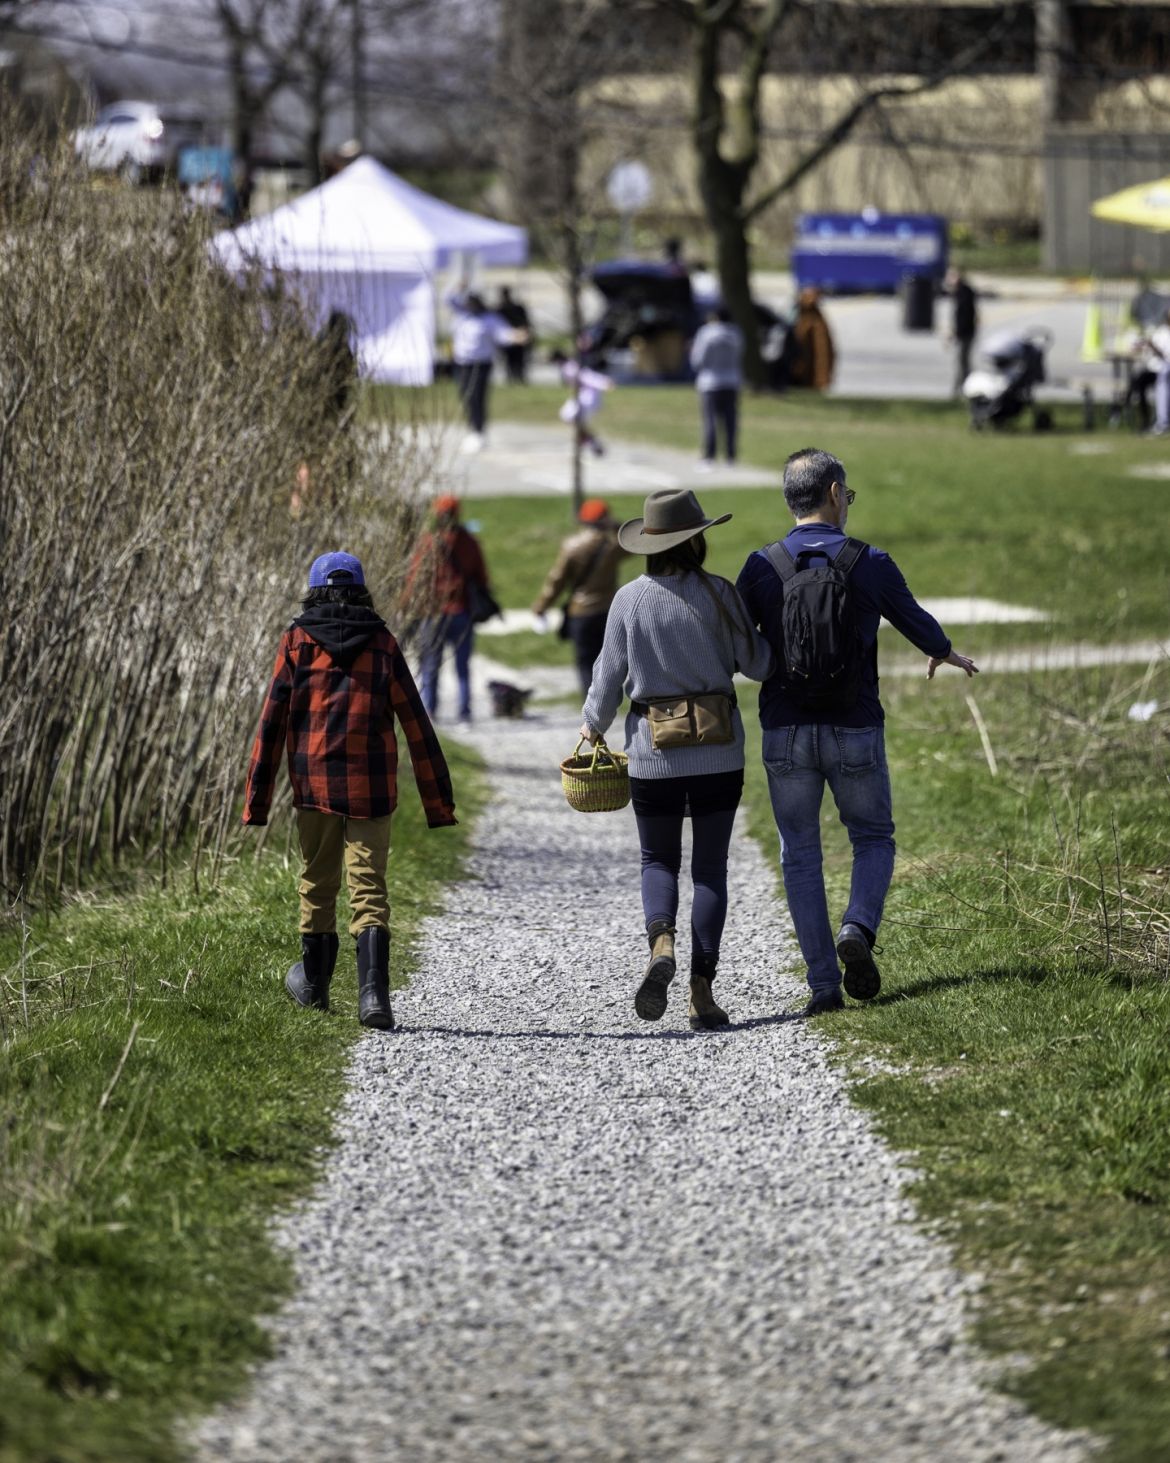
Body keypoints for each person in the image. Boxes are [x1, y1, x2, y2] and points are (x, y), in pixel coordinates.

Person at [735, 448, 978, 1017]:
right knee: (872, 838)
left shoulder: (760, 565)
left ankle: (823, 986)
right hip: (855, 728)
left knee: (800, 853)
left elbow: (737, 644)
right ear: (836, 494)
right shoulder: (869, 561)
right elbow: (915, 619)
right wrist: (943, 652)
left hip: (786, 731)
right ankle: (858, 928)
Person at [580, 489, 774, 1030]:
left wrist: (592, 726)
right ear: (698, 539)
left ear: (650, 544)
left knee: (657, 861)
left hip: (652, 755)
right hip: (719, 753)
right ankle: (701, 994)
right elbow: (758, 665)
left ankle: (660, 943)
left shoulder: (629, 600)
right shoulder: (720, 594)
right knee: (710, 868)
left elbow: (608, 675)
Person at [242, 551, 457, 1029]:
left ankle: (315, 988)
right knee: (369, 888)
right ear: (361, 589)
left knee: (317, 883)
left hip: (313, 784)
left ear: (314, 589)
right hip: (371, 786)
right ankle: (373, 998)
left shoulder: (297, 642)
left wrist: (255, 802)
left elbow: (271, 722)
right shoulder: (381, 643)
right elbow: (416, 723)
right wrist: (438, 804)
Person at [404, 496, 491, 722]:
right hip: (461, 611)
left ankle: (429, 711)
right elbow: (482, 577)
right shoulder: (469, 542)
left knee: (430, 665)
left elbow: (414, 579)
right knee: (463, 667)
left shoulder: (427, 543)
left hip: (432, 613)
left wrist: (407, 605)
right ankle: (464, 712)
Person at [533, 498, 626, 694]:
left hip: (581, 611)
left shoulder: (572, 546)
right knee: (607, 660)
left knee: (585, 663)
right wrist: (616, 524)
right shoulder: (613, 546)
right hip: (607, 609)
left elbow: (557, 580)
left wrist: (542, 606)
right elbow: (632, 540)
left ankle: (590, 706)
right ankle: (610, 701)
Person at [445, 285, 510, 452]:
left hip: (481, 364)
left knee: (477, 397)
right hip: (463, 363)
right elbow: (448, 299)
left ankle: (479, 431)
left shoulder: (489, 319)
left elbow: (504, 334)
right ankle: (473, 427)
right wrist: (458, 286)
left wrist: (516, 336)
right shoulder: (463, 317)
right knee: (466, 396)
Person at [689, 306, 743, 467]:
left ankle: (709, 456)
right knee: (730, 420)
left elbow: (698, 359)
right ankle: (730, 456)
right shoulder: (736, 333)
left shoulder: (706, 333)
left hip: (710, 381)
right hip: (732, 380)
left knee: (710, 420)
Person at [550, 350, 613, 457]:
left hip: (587, 398)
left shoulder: (569, 367)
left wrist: (603, 383)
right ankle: (589, 440)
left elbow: (586, 376)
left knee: (569, 415)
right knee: (573, 419)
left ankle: (588, 439)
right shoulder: (568, 366)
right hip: (583, 397)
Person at [789, 287, 836, 391]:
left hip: (810, 376)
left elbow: (823, 353)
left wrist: (823, 380)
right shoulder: (801, 318)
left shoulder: (816, 323)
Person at [946, 267, 978, 398]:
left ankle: (962, 388)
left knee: (962, 362)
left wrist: (956, 333)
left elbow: (964, 316)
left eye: (951, 276)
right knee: (963, 362)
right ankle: (961, 388)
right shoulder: (961, 291)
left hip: (966, 332)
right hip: (965, 331)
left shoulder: (963, 292)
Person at [1141, 306, 1170, 436]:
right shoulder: (1161, 332)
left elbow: (1165, 355)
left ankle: (1162, 422)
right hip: (1159, 370)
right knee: (1138, 382)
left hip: (1165, 370)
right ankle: (1154, 421)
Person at [497, 285, 532, 384]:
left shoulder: (516, 307)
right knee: (511, 360)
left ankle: (518, 378)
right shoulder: (500, 309)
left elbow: (525, 322)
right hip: (508, 336)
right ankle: (513, 378)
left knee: (518, 359)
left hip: (517, 334)